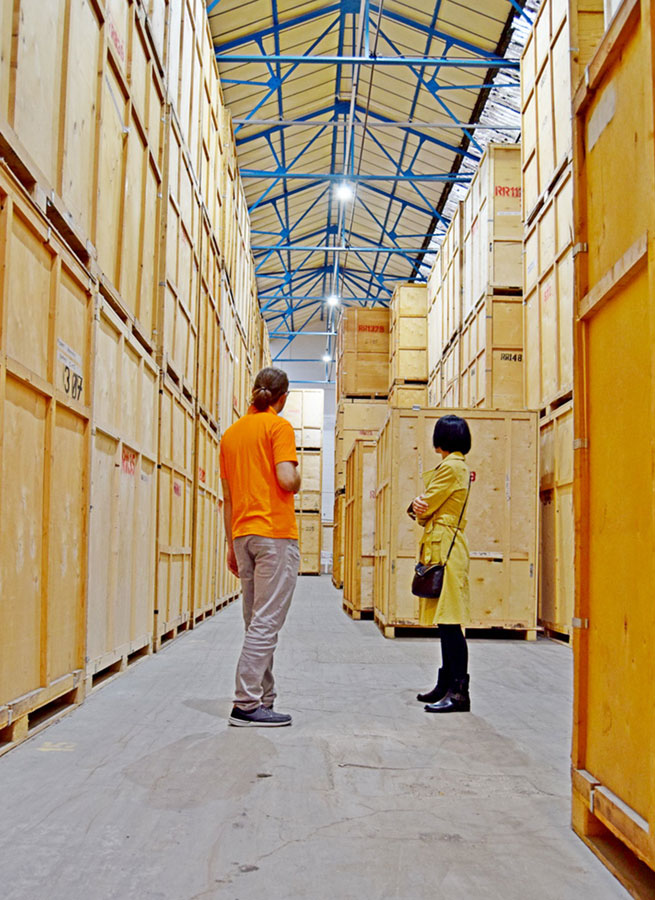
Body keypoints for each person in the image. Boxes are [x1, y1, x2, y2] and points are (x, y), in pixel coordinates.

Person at [219, 367, 301, 727]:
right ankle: (246, 703)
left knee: (255, 621)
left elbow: (227, 498)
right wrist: (299, 476)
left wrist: (230, 546)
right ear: (282, 398)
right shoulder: (278, 428)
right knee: (267, 622)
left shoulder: (231, 435)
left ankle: (262, 698)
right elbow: (286, 478)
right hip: (273, 534)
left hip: (242, 535)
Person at [410, 415, 472, 714]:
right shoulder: (457, 465)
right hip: (445, 544)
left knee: (450, 623)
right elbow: (422, 508)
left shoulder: (450, 467)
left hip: (445, 547)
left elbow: (424, 507)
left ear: (441, 440)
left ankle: (458, 693)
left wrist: (416, 507)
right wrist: (418, 507)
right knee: (446, 622)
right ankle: (446, 683)